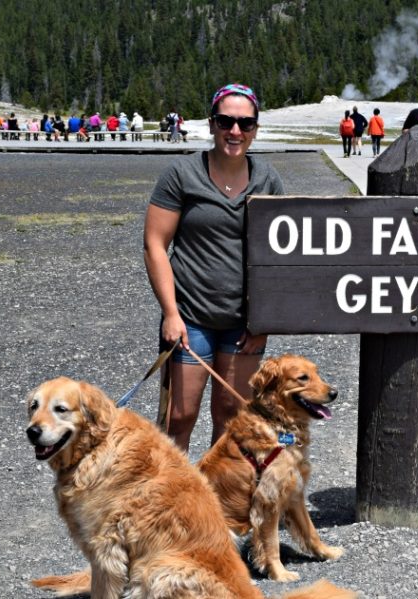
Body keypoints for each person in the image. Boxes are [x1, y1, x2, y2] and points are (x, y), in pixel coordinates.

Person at [143, 83, 283, 451]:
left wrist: (264, 320)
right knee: (180, 415)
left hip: (243, 323)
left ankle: (217, 501)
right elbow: (155, 244)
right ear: (211, 123)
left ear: (255, 128)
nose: (235, 131)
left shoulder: (268, 180)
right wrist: (171, 314)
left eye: (245, 123)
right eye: (226, 121)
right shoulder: (182, 174)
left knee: (231, 414)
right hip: (191, 317)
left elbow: (278, 259)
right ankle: (173, 499)